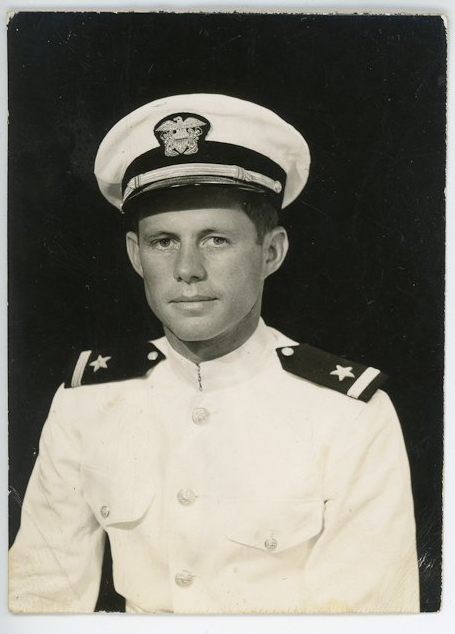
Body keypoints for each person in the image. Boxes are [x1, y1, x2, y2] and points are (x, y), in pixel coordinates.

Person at [9, 93, 419, 614]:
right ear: (136, 255)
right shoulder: (86, 405)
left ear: (271, 252)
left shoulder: (349, 416)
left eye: (216, 240)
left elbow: (366, 621)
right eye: (163, 242)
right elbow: (38, 598)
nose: (187, 269)